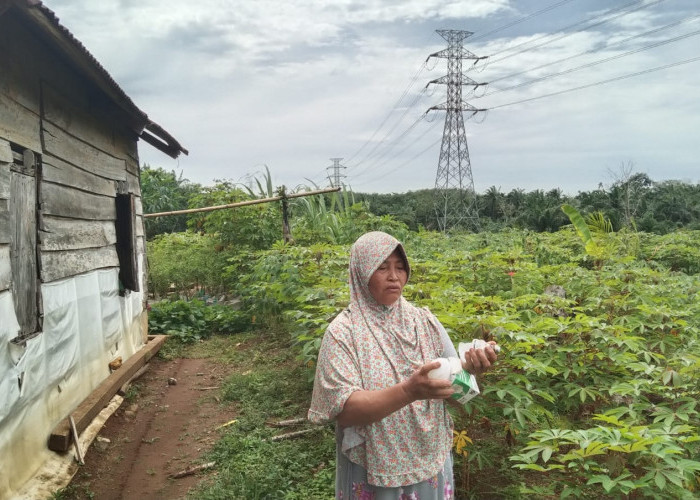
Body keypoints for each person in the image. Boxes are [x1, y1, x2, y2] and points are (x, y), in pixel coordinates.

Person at [308, 231, 498, 499]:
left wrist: (469, 368)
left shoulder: (424, 322)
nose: (394, 276)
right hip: (373, 469)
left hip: (429, 461)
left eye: (400, 267)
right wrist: (409, 391)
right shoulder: (343, 332)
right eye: (382, 267)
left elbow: (454, 387)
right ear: (361, 273)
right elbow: (345, 410)